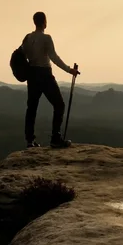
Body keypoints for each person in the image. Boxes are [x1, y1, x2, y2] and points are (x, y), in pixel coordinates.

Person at [22, 11, 81, 148]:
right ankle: (55, 138)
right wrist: (69, 70)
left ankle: (29, 141)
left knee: (32, 108)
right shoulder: (46, 38)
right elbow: (53, 57)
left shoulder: (27, 38)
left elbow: (22, 55)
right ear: (44, 22)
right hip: (45, 74)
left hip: (32, 74)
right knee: (59, 105)